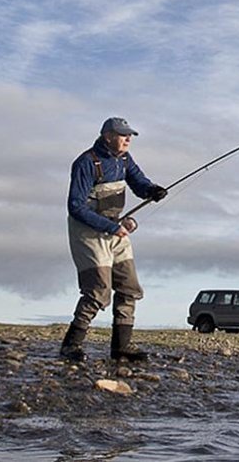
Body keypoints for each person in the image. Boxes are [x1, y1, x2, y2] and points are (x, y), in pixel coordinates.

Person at [59, 117, 167, 363]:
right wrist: (110, 227)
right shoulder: (86, 163)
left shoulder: (125, 159)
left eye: (130, 135)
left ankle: (122, 347)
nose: (128, 139)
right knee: (98, 291)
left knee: (129, 288)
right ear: (107, 136)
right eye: (123, 135)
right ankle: (71, 345)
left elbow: (139, 183)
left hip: (115, 229)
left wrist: (152, 190)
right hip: (87, 231)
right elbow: (75, 207)